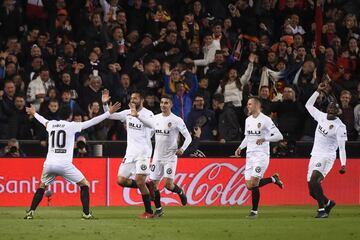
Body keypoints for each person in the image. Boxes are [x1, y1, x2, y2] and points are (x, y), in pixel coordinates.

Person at [23, 102, 121, 219]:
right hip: (64, 164)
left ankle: (30, 212)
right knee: (84, 185)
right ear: (70, 116)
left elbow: (42, 119)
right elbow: (92, 122)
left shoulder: (51, 124)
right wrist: (108, 113)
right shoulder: (72, 125)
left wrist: (34, 113)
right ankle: (86, 214)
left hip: (49, 164)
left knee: (42, 186)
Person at [102, 89, 155, 218]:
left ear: (141, 100)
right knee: (121, 181)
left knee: (139, 180)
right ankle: (148, 185)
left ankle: (149, 211)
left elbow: (152, 126)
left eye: (135, 98)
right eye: (131, 98)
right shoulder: (127, 113)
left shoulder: (149, 114)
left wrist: (137, 115)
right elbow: (110, 115)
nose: (132, 101)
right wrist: (105, 104)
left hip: (143, 153)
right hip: (130, 154)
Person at [234, 96, 284, 218]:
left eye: (250, 104)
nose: (247, 106)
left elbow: (279, 136)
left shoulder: (266, 120)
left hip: (261, 156)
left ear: (257, 105)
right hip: (250, 156)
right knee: (249, 185)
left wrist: (265, 138)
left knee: (254, 182)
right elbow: (248, 137)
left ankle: (254, 212)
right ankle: (273, 179)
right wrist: (240, 147)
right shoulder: (248, 120)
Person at [305, 82, 347, 218]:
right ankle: (328, 203)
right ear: (327, 108)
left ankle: (322, 210)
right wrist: (317, 91)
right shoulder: (321, 116)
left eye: (334, 109)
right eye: (330, 108)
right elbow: (308, 105)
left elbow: (341, 147)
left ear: (337, 112)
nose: (331, 110)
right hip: (315, 155)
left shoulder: (340, 127)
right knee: (312, 191)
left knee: (314, 181)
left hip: (327, 156)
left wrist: (343, 164)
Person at [148, 95, 192, 217]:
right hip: (157, 157)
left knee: (168, 185)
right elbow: (149, 135)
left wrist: (182, 148)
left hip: (170, 157)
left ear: (171, 105)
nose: (163, 105)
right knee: (153, 186)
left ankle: (180, 191)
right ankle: (159, 210)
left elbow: (188, 137)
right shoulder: (155, 118)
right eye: (161, 102)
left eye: (166, 103)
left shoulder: (177, 120)